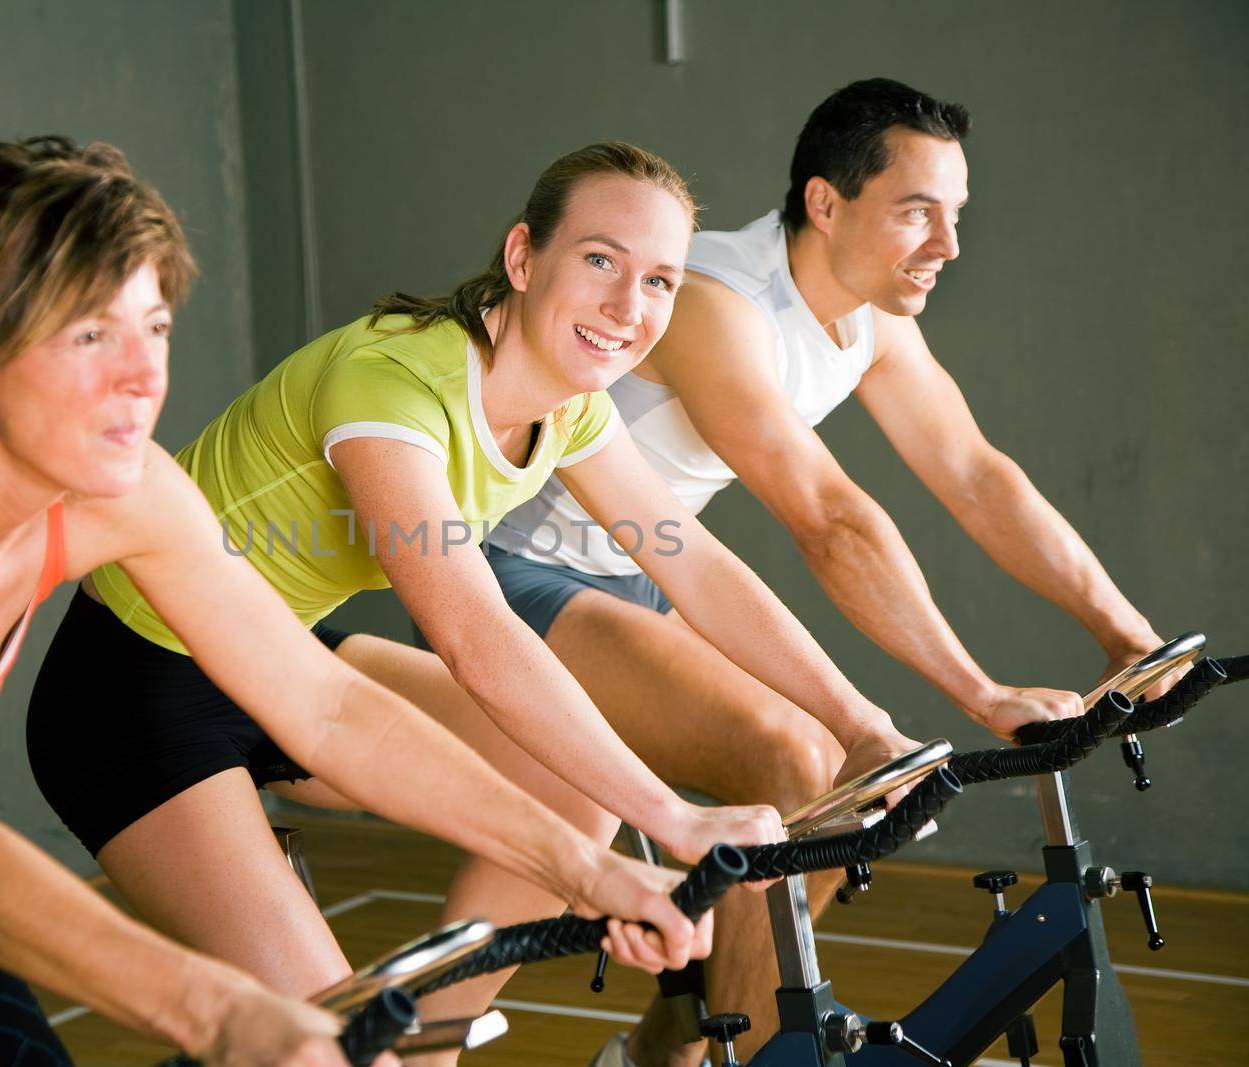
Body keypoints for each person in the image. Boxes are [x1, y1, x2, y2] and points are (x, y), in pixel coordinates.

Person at [0, 136, 697, 1067]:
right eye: (89, 335)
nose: (143, 375)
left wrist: (585, 866)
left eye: (151, 326)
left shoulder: (131, 492)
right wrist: (216, 1009)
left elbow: (325, 707)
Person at [27, 141, 920, 1062]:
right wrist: (676, 818)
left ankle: (434, 1039)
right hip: (131, 696)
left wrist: (860, 724)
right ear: (524, 257)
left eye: (660, 280)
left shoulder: (567, 407)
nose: (628, 306)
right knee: (326, 1048)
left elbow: (692, 561)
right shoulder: (394, 386)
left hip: (280, 658)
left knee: (574, 780)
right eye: (601, 260)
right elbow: (474, 633)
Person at [483, 80, 1164, 1065]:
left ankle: (672, 1034)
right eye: (916, 210)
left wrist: (1125, 635)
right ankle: (753, 1049)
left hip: (632, 585)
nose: (947, 243)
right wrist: (976, 690)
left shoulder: (871, 320)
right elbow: (826, 514)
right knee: (797, 758)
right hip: (514, 575)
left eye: (956, 212)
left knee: (833, 793)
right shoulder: (716, 302)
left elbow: (975, 476)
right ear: (825, 202)